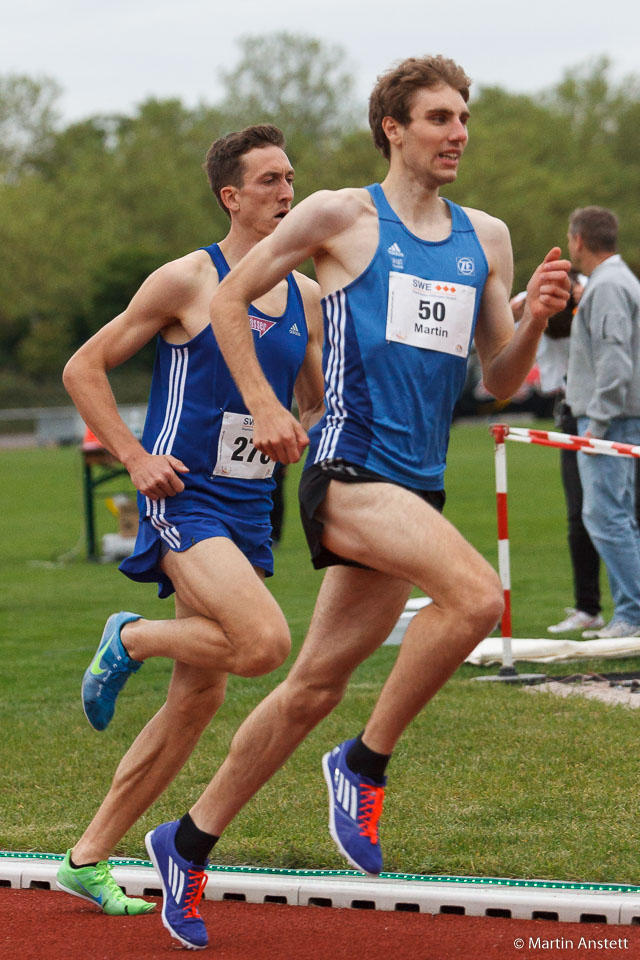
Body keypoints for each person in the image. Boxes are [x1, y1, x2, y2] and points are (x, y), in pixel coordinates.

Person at [143, 56, 571, 950]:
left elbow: (498, 380)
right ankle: (363, 763)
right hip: (346, 469)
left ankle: (186, 843)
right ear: (395, 127)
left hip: (415, 480)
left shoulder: (483, 236)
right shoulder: (341, 215)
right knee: (477, 597)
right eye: (439, 118)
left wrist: (532, 316)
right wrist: (265, 402)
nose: (457, 133)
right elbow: (227, 297)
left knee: (310, 686)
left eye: (464, 118)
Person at [55, 124, 323, 923]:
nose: (287, 193)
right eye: (270, 181)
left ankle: (87, 858)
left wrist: (300, 423)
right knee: (265, 645)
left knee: (196, 700)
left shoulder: (304, 295)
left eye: (291, 179)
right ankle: (130, 636)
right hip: (184, 496)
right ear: (230, 197)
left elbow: (311, 396)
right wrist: (135, 458)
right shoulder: (185, 280)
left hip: (249, 508)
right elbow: (82, 368)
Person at [511, 276, 606, 636]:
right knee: (579, 515)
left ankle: (627, 607)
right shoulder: (535, 305)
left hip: (608, 409)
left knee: (626, 513)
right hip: (569, 409)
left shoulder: (595, 293)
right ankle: (588, 607)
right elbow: (502, 317)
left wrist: (586, 297)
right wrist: (526, 302)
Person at [565, 205, 640, 639]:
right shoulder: (617, 280)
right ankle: (628, 613)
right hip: (618, 416)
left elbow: (615, 360)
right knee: (617, 515)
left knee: (604, 515)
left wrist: (599, 419)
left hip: (610, 420)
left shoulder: (608, 286)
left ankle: (632, 614)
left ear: (578, 240)